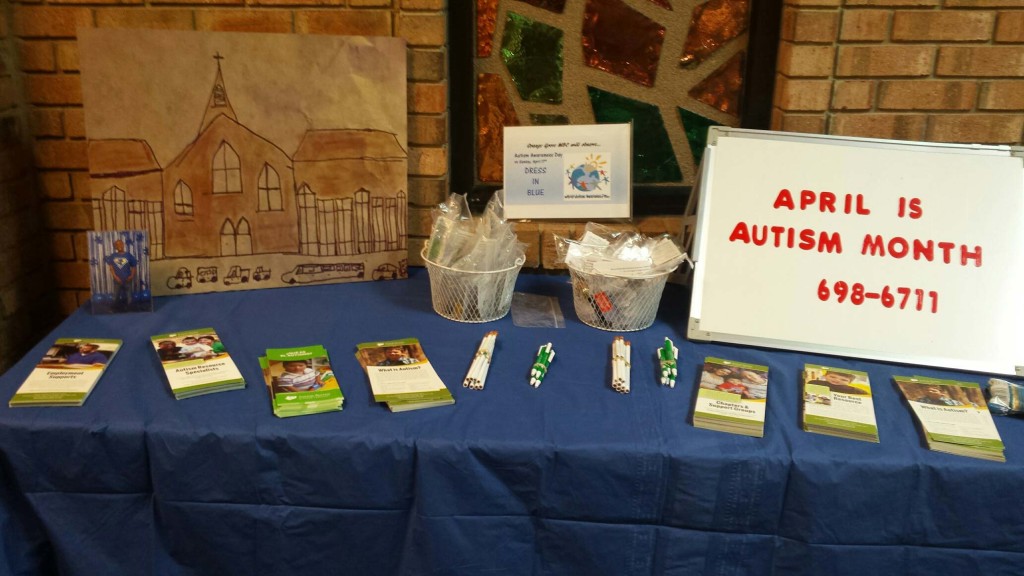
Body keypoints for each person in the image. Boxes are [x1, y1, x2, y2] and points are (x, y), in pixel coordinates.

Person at [105, 239, 137, 309]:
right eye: (117, 244)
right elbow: (111, 268)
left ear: (123, 245)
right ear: (115, 247)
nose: (119, 246)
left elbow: (134, 265)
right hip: (117, 280)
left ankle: (130, 308)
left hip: (127, 280)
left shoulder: (128, 255)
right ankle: (114, 308)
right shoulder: (113, 256)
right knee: (115, 295)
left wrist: (131, 276)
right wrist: (115, 277)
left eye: (120, 244)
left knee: (129, 295)